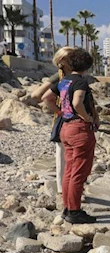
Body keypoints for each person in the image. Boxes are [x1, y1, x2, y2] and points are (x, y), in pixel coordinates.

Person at [42, 48, 99, 224]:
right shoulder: (80, 82)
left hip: (66, 128)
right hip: (79, 129)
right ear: (87, 65)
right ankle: (74, 211)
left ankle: (67, 208)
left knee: (69, 170)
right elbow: (77, 102)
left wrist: (61, 113)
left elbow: (46, 98)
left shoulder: (63, 81)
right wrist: (86, 117)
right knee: (79, 171)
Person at [34, 50, 69, 196]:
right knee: (63, 155)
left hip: (65, 119)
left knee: (66, 155)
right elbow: (37, 95)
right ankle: (63, 190)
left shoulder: (68, 75)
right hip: (64, 120)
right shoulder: (59, 77)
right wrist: (60, 110)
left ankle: (67, 188)